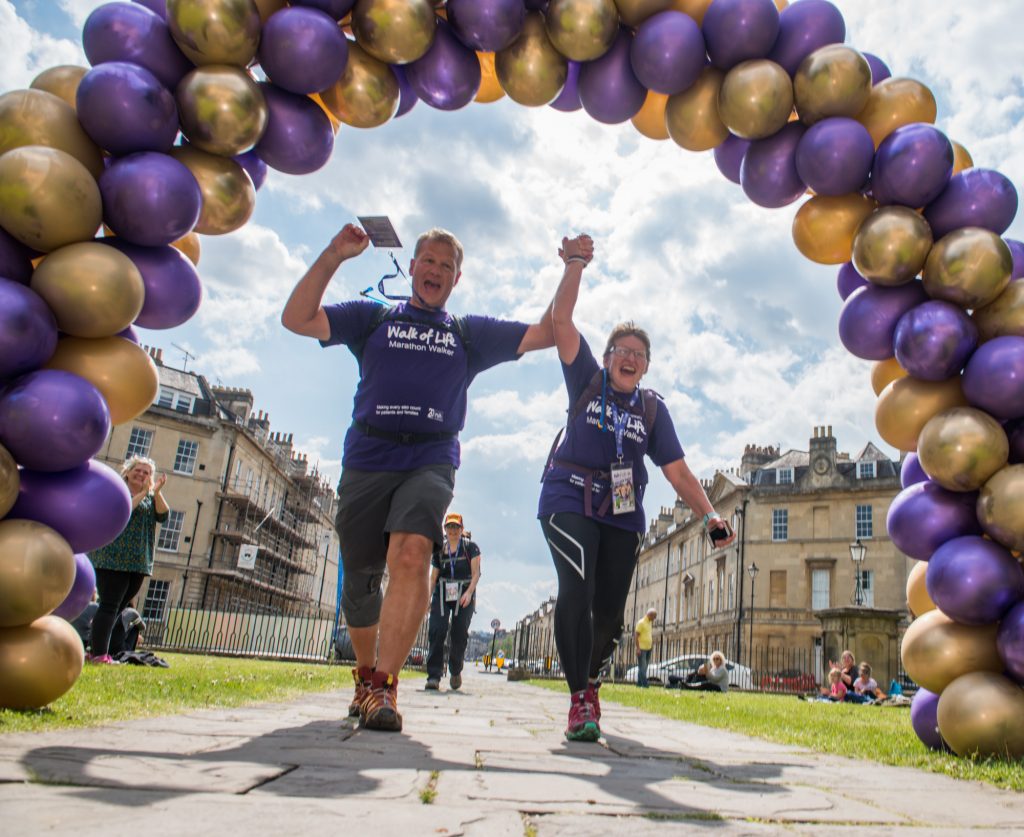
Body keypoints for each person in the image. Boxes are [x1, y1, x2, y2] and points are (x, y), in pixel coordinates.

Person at [281, 223, 558, 731]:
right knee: (361, 580)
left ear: (457, 279)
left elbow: (545, 332)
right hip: (368, 453)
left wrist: (571, 270)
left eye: (446, 266)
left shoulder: (466, 333)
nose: (435, 271)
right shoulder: (373, 317)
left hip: (430, 459)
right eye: (427, 261)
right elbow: (296, 318)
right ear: (411, 267)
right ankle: (366, 676)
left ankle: (384, 688)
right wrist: (333, 255)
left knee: (411, 553)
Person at [538, 235, 736, 741]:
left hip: (622, 513)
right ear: (606, 357)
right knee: (576, 589)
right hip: (567, 497)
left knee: (608, 614)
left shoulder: (651, 409)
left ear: (647, 366)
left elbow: (677, 472)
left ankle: (592, 684)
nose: (630, 358)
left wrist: (712, 515)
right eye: (621, 351)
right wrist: (575, 266)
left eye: (639, 354)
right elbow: (561, 321)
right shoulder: (584, 377)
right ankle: (580, 699)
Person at [86, 456, 169, 664]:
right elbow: (125, 511)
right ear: (128, 471)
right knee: (109, 605)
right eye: (138, 470)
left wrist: (156, 492)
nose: (141, 474)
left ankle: (98, 650)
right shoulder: (118, 490)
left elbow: (164, 515)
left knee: (120, 606)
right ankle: (98, 654)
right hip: (112, 557)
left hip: (138, 560)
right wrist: (143, 493)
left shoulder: (151, 497)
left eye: (146, 472)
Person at [425, 512, 481, 691]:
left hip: (464, 592)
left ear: (461, 529)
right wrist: (428, 598)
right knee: (437, 630)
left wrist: (469, 593)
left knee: (459, 633)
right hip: (442, 592)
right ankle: (433, 675)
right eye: (450, 527)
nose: (453, 531)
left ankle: (455, 670)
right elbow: (433, 577)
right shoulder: (440, 549)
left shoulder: (470, 548)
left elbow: (476, 574)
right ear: (445, 529)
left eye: (456, 527)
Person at [634, 609, 657, 689]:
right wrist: (638, 648)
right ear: (650, 615)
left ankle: (639, 684)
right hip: (642, 648)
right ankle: (645, 684)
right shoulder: (641, 623)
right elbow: (636, 636)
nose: (654, 619)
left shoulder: (649, 623)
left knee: (644, 667)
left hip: (648, 648)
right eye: (654, 617)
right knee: (642, 667)